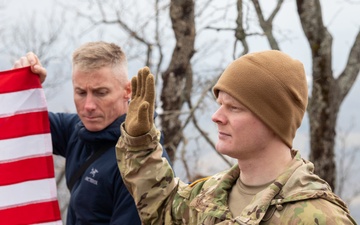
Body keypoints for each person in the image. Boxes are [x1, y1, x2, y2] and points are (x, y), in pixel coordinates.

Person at [116, 50, 357, 224]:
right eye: (220, 104)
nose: (216, 116)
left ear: (272, 119)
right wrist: (140, 143)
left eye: (234, 108)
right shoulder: (209, 195)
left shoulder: (319, 216)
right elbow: (164, 210)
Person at [13, 41, 171, 225]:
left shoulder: (143, 165)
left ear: (127, 91)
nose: (88, 106)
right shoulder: (77, 131)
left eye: (100, 93)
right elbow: (18, 123)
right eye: (80, 92)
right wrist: (21, 87)